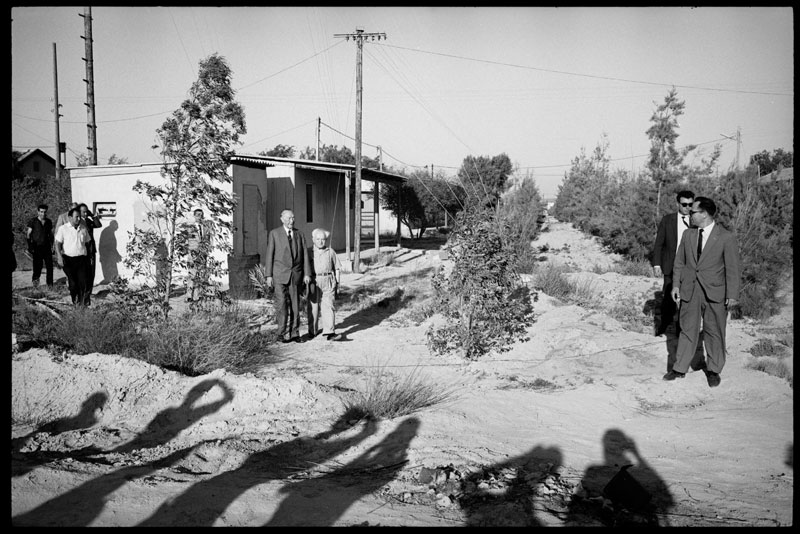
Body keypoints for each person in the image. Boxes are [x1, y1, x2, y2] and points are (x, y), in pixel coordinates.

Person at [664, 197, 741, 387]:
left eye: (693, 212)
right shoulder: (688, 235)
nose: (689, 214)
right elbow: (679, 262)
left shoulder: (725, 237)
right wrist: (675, 285)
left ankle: (714, 370)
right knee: (687, 329)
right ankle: (679, 368)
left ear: (704, 214)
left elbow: (733, 268)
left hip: (716, 292)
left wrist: (732, 295)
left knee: (714, 331)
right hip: (690, 290)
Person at [651, 190, 704, 373]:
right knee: (668, 298)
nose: (688, 208)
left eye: (691, 205)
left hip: (689, 268)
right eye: (684, 204)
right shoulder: (668, 220)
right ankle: (664, 328)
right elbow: (659, 243)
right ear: (678, 204)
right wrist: (657, 264)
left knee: (687, 300)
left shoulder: (696, 221)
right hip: (670, 265)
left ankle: (683, 331)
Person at [264, 209, 311, 343]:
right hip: (279, 275)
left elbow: (305, 256)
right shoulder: (274, 234)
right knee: (282, 304)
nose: (292, 221)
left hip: (295, 275)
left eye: (293, 218)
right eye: (289, 218)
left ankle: (295, 333)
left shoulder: (299, 234)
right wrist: (268, 275)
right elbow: (270, 255)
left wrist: (307, 273)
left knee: (295, 306)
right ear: (282, 219)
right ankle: (281, 332)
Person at [306, 228, 342, 341]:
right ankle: (312, 331)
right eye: (318, 239)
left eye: (323, 239)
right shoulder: (308, 252)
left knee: (329, 306)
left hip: (328, 280)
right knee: (313, 306)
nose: (321, 241)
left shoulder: (331, 251)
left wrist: (337, 282)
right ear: (313, 239)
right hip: (314, 281)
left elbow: (337, 268)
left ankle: (329, 332)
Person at [55, 207, 91, 305]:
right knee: (73, 282)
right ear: (70, 218)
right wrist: (59, 256)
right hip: (68, 260)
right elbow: (57, 243)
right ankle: (75, 301)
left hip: (82, 259)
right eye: (76, 217)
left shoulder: (83, 228)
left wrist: (88, 257)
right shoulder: (63, 229)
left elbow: (88, 243)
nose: (79, 219)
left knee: (82, 282)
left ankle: (82, 303)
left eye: (79, 217)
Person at [185, 208, 214, 302]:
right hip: (193, 252)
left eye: (201, 215)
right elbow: (187, 240)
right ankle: (189, 295)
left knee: (201, 273)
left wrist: (207, 249)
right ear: (194, 216)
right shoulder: (190, 227)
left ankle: (199, 294)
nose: (199, 217)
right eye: (197, 215)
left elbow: (208, 238)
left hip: (202, 253)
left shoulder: (205, 227)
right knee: (192, 274)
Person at [26, 203, 54, 288]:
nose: (43, 214)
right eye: (41, 212)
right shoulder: (33, 221)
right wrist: (30, 246)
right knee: (37, 267)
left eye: (45, 212)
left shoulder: (48, 222)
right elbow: (28, 234)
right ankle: (35, 285)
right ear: (38, 212)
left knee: (49, 267)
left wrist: (53, 246)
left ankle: (50, 286)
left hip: (47, 247)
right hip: (37, 247)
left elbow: (51, 234)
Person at [78, 203, 102, 305]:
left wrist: (93, 216)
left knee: (91, 274)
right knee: (84, 275)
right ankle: (83, 296)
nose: (85, 213)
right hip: (82, 252)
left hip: (91, 250)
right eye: (83, 211)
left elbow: (98, 225)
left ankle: (88, 295)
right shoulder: (78, 223)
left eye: (86, 211)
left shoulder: (88, 220)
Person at [54, 202, 79, 267]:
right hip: (65, 245)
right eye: (74, 208)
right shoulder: (62, 217)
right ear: (69, 208)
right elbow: (57, 232)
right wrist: (57, 247)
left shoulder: (79, 217)